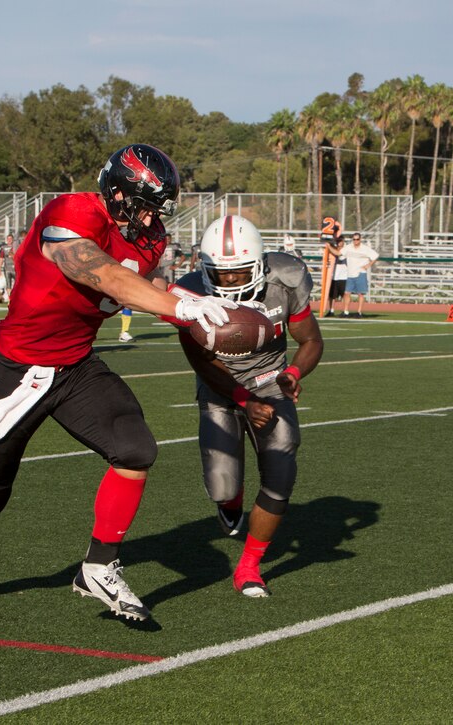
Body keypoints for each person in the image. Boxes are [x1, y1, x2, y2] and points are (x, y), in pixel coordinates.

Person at [0, 144, 237, 622]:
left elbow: (142, 285)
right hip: (16, 368)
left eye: (156, 210)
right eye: (142, 206)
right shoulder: (73, 212)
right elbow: (97, 271)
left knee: (135, 448)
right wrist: (179, 308)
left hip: (74, 366)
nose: (150, 221)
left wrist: (196, 309)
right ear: (117, 191)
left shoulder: (150, 238)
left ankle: (99, 567)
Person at [172, 214, 324, 597]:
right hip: (220, 386)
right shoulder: (189, 293)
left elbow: (311, 342)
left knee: (281, 470)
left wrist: (292, 374)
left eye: (239, 273)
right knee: (223, 487)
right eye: (220, 274)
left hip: (271, 382)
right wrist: (242, 399)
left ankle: (249, 567)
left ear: (258, 265)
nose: (228, 281)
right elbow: (200, 362)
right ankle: (233, 502)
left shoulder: (285, 278)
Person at [327, 232, 378, 318]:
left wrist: (368, 265)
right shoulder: (348, 248)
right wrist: (329, 247)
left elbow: (375, 256)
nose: (355, 241)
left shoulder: (365, 248)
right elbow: (338, 253)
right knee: (347, 293)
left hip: (360, 273)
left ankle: (359, 312)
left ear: (360, 239)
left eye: (357, 239)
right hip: (350, 273)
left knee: (360, 294)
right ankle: (346, 311)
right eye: (354, 239)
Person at [323, 235, 348, 316]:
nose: (339, 242)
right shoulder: (333, 249)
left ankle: (345, 311)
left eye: (340, 241)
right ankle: (331, 310)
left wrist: (329, 246)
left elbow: (338, 254)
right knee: (332, 295)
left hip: (343, 276)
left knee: (344, 294)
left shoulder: (346, 250)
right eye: (337, 240)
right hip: (333, 275)